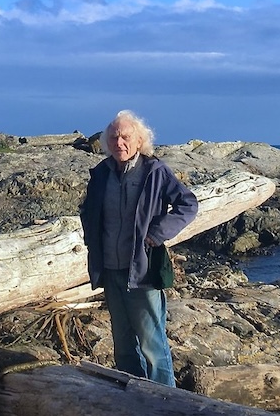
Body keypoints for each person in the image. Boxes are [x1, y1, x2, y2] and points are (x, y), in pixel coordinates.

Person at [80, 110, 198, 386]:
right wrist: (91, 241)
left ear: (139, 140)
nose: (119, 142)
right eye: (114, 137)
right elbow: (88, 211)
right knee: (122, 346)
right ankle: (131, 398)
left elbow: (188, 204)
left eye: (125, 137)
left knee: (152, 346)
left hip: (142, 273)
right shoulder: (101, 174)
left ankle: (165, 403)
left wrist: (157, 233)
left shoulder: (155, 171)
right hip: (110, 270)